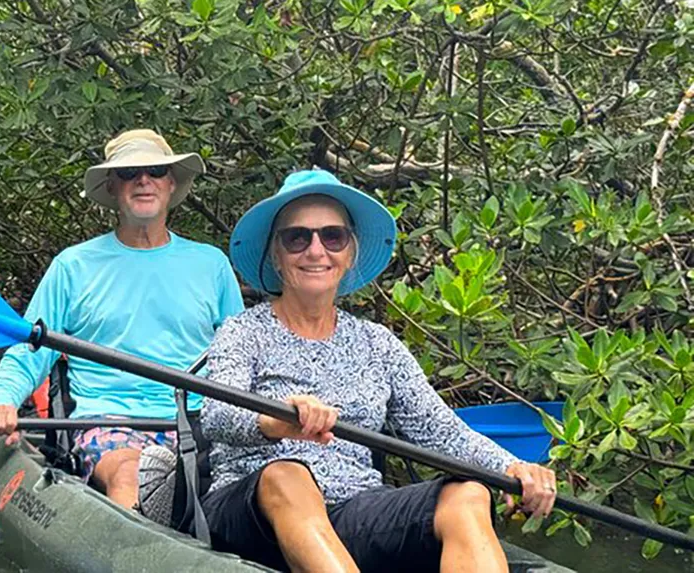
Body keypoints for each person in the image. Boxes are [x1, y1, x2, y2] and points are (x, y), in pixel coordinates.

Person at [146, 168, 557, 572]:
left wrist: (510, 468)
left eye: (332, 236)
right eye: (296, 238)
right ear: (276, 254)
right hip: (253, 511)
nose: (315, 250)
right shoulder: (243, 331)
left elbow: (439, 429)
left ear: (349, 252)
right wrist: (277, 418)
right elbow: (218, 415)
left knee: (468, 494)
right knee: (288, 476)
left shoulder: (377, 343)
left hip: (353, 509)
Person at [0, 129, 244, 510]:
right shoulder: (73, 265)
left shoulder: (212, 264)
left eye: (154, 170)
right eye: (130, 173)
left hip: (198, 423)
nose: (143, 180)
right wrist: (1, 400)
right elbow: (30, 350)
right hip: (109, 420)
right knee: (133, 472)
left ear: (170, 184)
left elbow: (241, 357)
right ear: (113, 187)